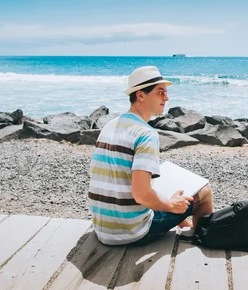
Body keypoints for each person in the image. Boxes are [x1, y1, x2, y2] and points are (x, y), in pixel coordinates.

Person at [88, 66, 214, 245]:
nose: (166, 97)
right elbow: (141, 195)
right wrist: (172, 206)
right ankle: (203, 239)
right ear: (140, 95)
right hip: (131, 233)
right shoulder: (145, 133)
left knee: (164, 186)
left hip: (103, 228)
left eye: (166, 92)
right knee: (204, 190)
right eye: (160, 92)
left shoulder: (110, 125)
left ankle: (185, 229)